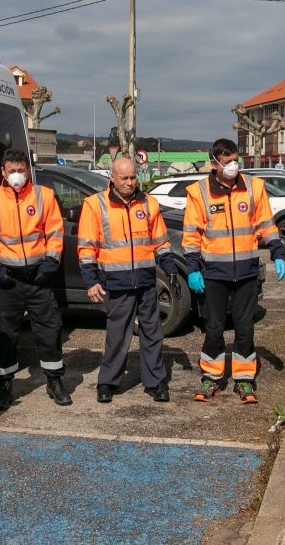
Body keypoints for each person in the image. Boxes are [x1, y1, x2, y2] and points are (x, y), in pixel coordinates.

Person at [183, 138, 285, 404]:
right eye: (226, 160)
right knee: (214, 328)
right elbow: (192, 234)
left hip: (246, 272)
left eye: (234, 159)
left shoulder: (253, 188)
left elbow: (266, 222)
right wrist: (193, 268)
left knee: (244, 328)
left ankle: (243, 379)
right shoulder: (199, 192)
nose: (232, 165)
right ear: (214, 163)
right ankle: (212, 377)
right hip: (213, 273)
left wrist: (277, 252)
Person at [0, 149, 71, 411]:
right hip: (7, 280)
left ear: (28, 171)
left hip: (39, 278)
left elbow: (55, 232)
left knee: (49, 330)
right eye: (12, 170)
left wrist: (50, 264)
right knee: (5, 334)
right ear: (2, 172)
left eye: (21, 169)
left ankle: (54, 381)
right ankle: (4, 385)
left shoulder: (44, 195)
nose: (17, 175)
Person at [79, 157, 177, 403]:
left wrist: (170, 269)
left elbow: (161, 242)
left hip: (146, 281)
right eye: (124, 178)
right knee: (117, 335)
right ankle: (107, 383)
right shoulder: (95, 205)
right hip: (116, 282)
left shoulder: (149, 203)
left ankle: (155, 382)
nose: (130, 182)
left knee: (152, 333)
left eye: (133, 177)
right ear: (112, 177)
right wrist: (91, 281)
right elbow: (87, 248)